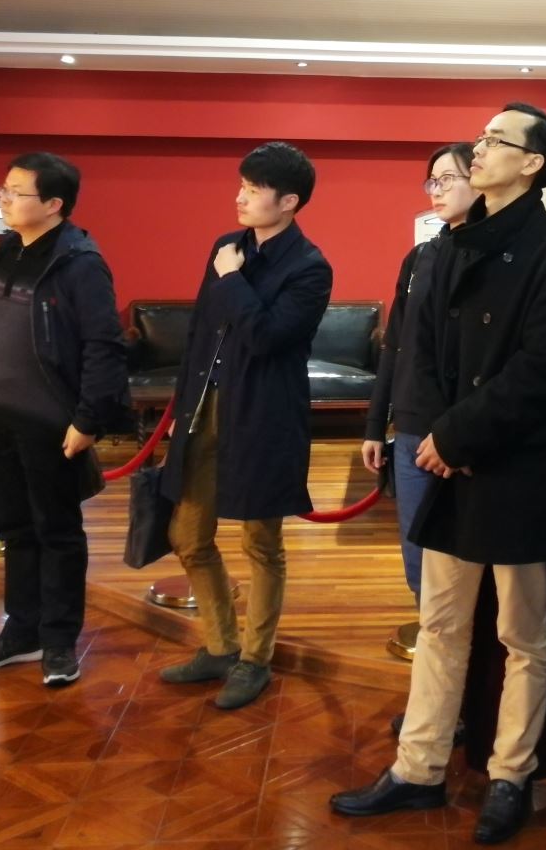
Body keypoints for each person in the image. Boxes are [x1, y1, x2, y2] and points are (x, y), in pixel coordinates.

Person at [331, 102, 546, 845]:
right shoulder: (448, 245)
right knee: (441, 623)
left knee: (522, 634)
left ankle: (511, 774)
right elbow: (422, 355)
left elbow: (541, 371)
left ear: (532, 163)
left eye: (495, 141)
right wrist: (435, 435)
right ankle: (417, 768)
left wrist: (457, 435)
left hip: (513, 465)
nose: (478, 150)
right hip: (448, 458)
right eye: (480, 137)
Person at [156, 141, 332, 711]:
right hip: (204, 409)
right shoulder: (225, 247)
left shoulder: (310, 267)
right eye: (242, 185)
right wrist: (180, 407)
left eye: (253, 190)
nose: (240, 196)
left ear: (289, 201)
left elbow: (266, 338)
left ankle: (255, 658)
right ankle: (219, 645)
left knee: (262, 542)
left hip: (262, 417)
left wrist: (232, 280)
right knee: (188, 535)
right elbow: (201, 333)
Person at [0, 152, 131, 688]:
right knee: (14, 529)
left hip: (50, 422)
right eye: (3, 189)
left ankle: (58, 640)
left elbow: (104, 346)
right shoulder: (4, 251)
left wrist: (88, 419)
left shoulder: (79, 263)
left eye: (16, 192)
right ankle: (22, 631)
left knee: (57, 532)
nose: (4, 199)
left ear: (53, 204)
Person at [361, 142, 476, 608]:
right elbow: (394, 345)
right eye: (432, 180)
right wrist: (375, 426)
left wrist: (457, 434)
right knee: (416, 554)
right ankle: (430, 637)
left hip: (457, 432)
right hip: (409, 426)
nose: (436, 189)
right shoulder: (420, 257)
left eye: (449, 179)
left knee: (461, 557)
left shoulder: (491, 260)